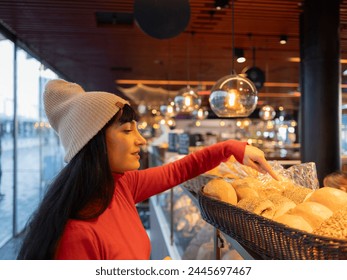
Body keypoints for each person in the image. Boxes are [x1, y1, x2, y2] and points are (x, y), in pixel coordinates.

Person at [17, 79, 278, 260]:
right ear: (93, 142)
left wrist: (232, 148)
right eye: (128, 130)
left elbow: (178, 171)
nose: (141, 140)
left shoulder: (120, 186)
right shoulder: (75, 234)